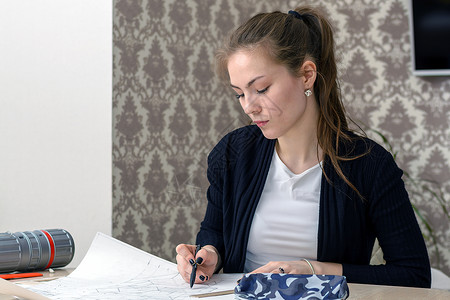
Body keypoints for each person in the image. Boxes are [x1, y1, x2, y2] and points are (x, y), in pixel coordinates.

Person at [175, 6, 431, 288]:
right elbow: (215, 230)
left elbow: (413, 274)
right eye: (240, 94)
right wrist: (209, 253)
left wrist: (313, 269)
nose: (249, 106)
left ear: (307, 75)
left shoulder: (369, 164)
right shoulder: (232, 153)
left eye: (260, 89)